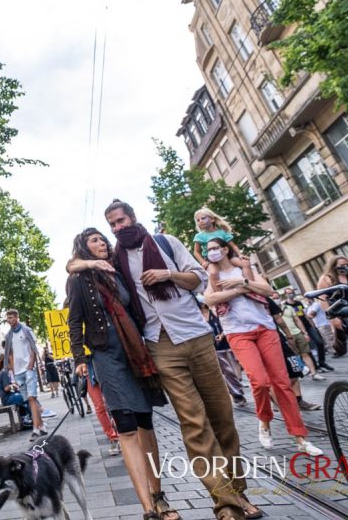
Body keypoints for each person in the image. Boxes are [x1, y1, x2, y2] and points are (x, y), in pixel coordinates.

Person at [72, 200, 252, 520]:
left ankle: (239, 491)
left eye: (120, 221)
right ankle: (226, 504)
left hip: (195, 337)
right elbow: (74, 263)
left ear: (133, 217)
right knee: (194, 424)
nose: (117, 229)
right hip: (159, 345)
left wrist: (168, 274)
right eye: (112, 225)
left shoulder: (166, 243)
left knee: (222, 418)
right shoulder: (116, 259)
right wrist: (87, 264)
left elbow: (197, 278)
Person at [67, 227, 179, 520]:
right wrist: (80, 357)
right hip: (107, 356)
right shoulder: (80, 279)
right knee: (126, 426)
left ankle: (159, 495)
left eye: (103, 238)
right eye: (94, 240)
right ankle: (147, 508)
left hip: (135, 354)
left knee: (145, 424)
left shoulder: (117, 269)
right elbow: (74, 320)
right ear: (84, 246)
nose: (102, 242)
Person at [203, 238, 323, 457]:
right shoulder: (212, 275)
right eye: (208, 249)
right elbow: (210, 299)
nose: (211, 252)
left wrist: (242, 283)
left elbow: (267, 290)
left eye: (215, 248)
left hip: (265, 329)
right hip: (237, 332)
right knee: (259, 381)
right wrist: (239, 290)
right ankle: (264, 420)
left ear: (225, 249)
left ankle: (300, 438)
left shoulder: (246, 268)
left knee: (282, 383)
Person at [4, 310, 47, 440]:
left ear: (17, 317)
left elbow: (34, 348)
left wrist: (31, 364)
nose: (9, 320)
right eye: (8, 318)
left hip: (28, 368)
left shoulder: (27, 330)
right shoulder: (8, 336)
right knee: (29, 399)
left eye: (11, 317)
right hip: (18, 372)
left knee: (32, 398)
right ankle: (42, 426)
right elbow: (9, 353)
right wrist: (11, 368)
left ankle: (35, 429)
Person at [199, 301, 246, 407]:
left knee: (235, 371)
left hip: (228, 344)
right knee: (227, 372)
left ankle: (237, 389)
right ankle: (237, 394)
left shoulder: (214, 312)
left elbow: (227, 323)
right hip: (214, 348)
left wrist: (222, 335)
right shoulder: (196, 316)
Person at [191, 207, 249, 282]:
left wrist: (240, 254)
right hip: (211, 260)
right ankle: (218, 292)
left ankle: (250, 285)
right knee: (213, 273)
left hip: (227, 257)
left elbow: (233, 245)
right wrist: (203, 262)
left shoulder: (222, 232)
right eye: (198, 220)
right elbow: (196, 252)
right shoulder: (199, 236)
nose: (200, 221)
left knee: (246, 264)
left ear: (212, 219)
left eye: (203, 218)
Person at [279, 290, 323, 379]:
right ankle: (299, 372)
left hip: (297, 332)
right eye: (288, 293)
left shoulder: (291, 306)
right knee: (294, 355)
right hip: (286, 335)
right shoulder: (271, 311)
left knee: (305, 353)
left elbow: (298, 319)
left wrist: (304, 332)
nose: (291, 294)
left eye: (277, 297)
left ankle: (314, 373)